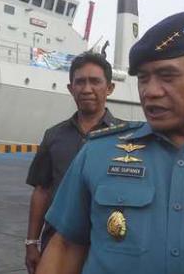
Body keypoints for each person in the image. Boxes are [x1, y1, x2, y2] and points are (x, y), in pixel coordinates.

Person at [37, 9, 184, 274]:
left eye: (167, 77)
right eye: (143, 78)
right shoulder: (98, 153)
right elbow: (66, 246)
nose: (150, 91)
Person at [24, 52, 124, 274]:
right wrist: (32, 242)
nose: (87, 89)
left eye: (95, 81)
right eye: (80, 82)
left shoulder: (125, 140)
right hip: (58, 244)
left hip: (107, 246)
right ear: (71, 89)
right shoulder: (54, 136)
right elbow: (41, 190)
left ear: (110, 88)